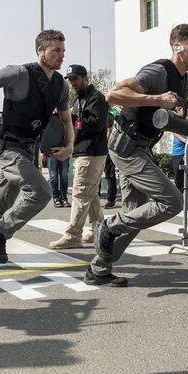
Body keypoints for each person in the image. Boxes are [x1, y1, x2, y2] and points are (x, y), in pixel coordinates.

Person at [88, 23, 188, 287]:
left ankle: (98, 268)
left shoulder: (182, 77)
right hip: (127, 148)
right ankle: (109, 225)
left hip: (142, 148)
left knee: (136, 213)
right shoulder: (158, 72)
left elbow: (170, 107)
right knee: (172, 202)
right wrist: (157, 99)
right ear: (178, 47)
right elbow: (113, 95)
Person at [0, 29, 74, 270]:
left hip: (28, 149)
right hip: (7, 146)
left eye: (63, 51)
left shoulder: (60, 85)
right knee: (41, 191)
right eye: (56, 51)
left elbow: (66, 120)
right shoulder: (19, 73)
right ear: (40, 51)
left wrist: (70, 146)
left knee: (2, 202)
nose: (61, 56)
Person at [50, 64, 108, 249]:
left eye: (75, 78)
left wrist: (73, 119)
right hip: (85, 151)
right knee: (90, 195)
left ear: (85, 78)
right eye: (70, 80)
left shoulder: (95, 98)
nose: (73, 83)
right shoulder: (79, 99)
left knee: (80, 194)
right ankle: (97, 231)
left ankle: (73, 235)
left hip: (90, 152)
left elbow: (97, 123)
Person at [46, 111, 70, 209]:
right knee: (53, 176)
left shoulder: (67, 119)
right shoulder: (49, 119)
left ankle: (64, 198)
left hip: (64, 150)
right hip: (51, 151)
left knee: (64, 175)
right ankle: (56, 198)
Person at [101, 107, 119, 208]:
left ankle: (111, 200)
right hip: (101, 150)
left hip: (108, 151)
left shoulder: (108, 116)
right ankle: (96, 197)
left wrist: (104, 146)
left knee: (109, 176)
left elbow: (109, 131)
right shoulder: (101, 115)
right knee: (98, 175)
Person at [170, 106, 188, 195]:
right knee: (179, 180)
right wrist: (185, 140)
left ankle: (187, 202)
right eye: (184, 110)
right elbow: (174, 132)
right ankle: (180, 203)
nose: (186, 111)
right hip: (178, 154)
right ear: (178, 109)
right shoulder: (175, 120)